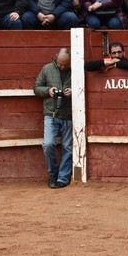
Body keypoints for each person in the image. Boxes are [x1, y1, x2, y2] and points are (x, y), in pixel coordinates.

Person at [33, 48, 73, 189]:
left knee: (68, 147)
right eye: (60, 63)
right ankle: (53, 173)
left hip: (69, 114)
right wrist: (48, 90)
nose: (62, 67)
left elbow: (86, 87)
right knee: (48, 144)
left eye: (65, 65)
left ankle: (63, 178)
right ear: (56, 57)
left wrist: (73, 91)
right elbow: (36, 88)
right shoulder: (47, 68)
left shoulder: (76, 70)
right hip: (51, 113)